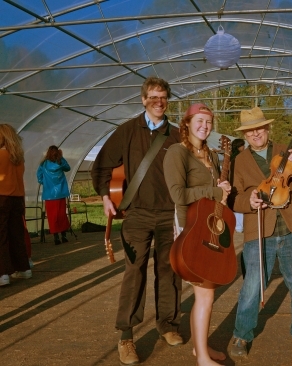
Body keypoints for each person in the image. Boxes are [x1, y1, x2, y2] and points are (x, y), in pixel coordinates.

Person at [91, 77, 183, 365]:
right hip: (138, 214)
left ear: (167, 100)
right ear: (143, 100)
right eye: (153, 97)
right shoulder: (128, 130)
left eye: (163, 97)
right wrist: (106, 197)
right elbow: (103, 163)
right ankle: (126, 336)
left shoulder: (177, 135)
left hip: (170, 214)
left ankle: (167, 325)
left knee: (170, 271)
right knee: (135, 273)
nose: (158, 102)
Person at [228, 107, 292, 358]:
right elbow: (234, 198)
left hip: (291, 230)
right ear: (245, 134)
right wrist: (249, 201)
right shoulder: (239, 161)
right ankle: (242, 335)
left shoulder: (286, 152)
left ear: (267, 128)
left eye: (259, 128)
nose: (255, 133)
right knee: (252, 288)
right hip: (258, 231)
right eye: (250, 130)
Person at [164, 103, 231, 366]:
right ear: (187, 123)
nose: (205, 126)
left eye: (209, 122)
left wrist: (222, 188)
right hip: (190, 228)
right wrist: (214, 192)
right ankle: (202, 357)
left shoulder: (210, 154)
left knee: (207, 292)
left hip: (210, 227)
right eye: (199, 121)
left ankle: (199, 348)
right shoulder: (177, 153)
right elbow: (178, 195)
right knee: (205, 293)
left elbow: (214, 191)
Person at [0, 124, 31, 286]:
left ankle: (2, 273)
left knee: (1, 236)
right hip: (16, 198)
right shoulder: (18, 157)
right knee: (17, 235)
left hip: (1, 198)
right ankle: (24, 269)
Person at [37, 145, 71, 245]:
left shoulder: (43, 164)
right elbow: (68, 168)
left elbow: (39, 176)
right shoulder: (60, 162)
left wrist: (45, 183)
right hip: (60, 193)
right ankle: (64, 236)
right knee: (62, 215)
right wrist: (61, 157)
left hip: (49, 195)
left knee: (52, 216)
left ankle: (56, 237)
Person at [230, 138, 246, 233]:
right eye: (242, 146)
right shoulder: (240, 157)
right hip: (238, 182)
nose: (244, 147)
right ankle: (240, 226)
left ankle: (239, 226)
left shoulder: (231, 157)